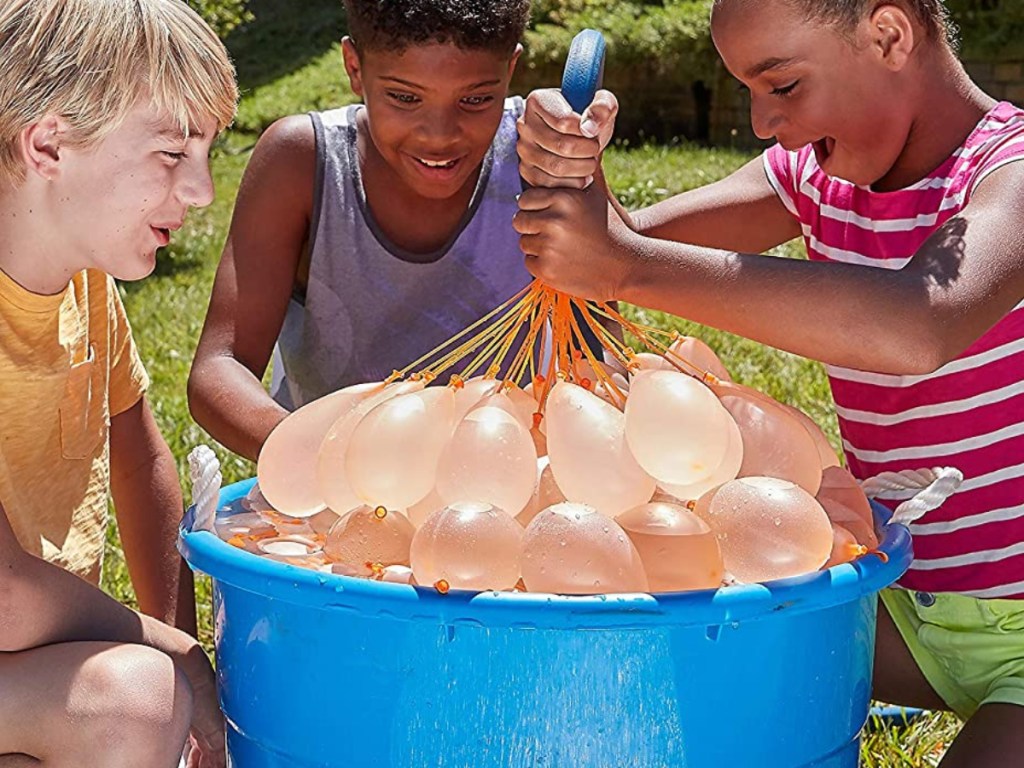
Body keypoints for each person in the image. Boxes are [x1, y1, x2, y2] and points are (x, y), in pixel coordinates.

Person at [513, 1, 1024, 765]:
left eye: (780, 86)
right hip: (891, 605)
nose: (759, 123)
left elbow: (920, 325)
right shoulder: (811, 177)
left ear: (887, 35)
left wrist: (621, 260)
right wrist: (579, 175)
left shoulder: (1010, 173)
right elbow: (623, 254)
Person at [0, 0, 238, 763]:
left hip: (28, 673)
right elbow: (4, 598)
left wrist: (196, 705)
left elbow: (139, 463)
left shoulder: (86, 290)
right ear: (47, 144)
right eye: (171, 155)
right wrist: (176, 655)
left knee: (151, 699)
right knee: (135, 697)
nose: (200, 190)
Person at [188, 0, 536, 462]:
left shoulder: (542, 154)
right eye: (404, 97)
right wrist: (327, 463)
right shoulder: (303, 164)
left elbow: (597, 352)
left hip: (509, 492)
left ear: (510, 69)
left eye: (474, 99)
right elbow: (221, 365)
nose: (439, 134)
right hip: (336, 512)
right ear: (355, 67)